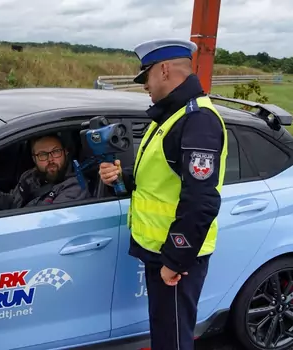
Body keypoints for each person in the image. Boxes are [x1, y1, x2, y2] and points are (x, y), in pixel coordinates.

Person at [98, 39, 228, 349]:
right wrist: (123, 178)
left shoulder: (197, 121)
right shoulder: (173, 115)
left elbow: (201, 201)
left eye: (146, 77)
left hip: (174, 255)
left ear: (165, 70)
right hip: (161, 250)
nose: (145, 86)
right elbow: (162, 179)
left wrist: (176, 259)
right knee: (164, 329)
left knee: (172, 339)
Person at [0, 133, 90, 210]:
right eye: (43, 154)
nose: (50, 159)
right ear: (34, 159)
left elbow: (41, 224)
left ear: (65, 152)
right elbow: (12, 202)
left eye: (56, 152)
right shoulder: (30, 176)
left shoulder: (75, 186)